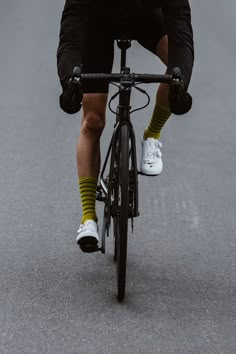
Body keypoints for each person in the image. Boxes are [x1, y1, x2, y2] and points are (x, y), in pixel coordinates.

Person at [57, 0, 194, 252]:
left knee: (175, 73)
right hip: (97, 23)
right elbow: (70, 36)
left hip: (145, 17)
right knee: (93, 120)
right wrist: (69, 81)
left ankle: (152, 135)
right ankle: (88, 218)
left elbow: (182, 38)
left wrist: (181, 81)